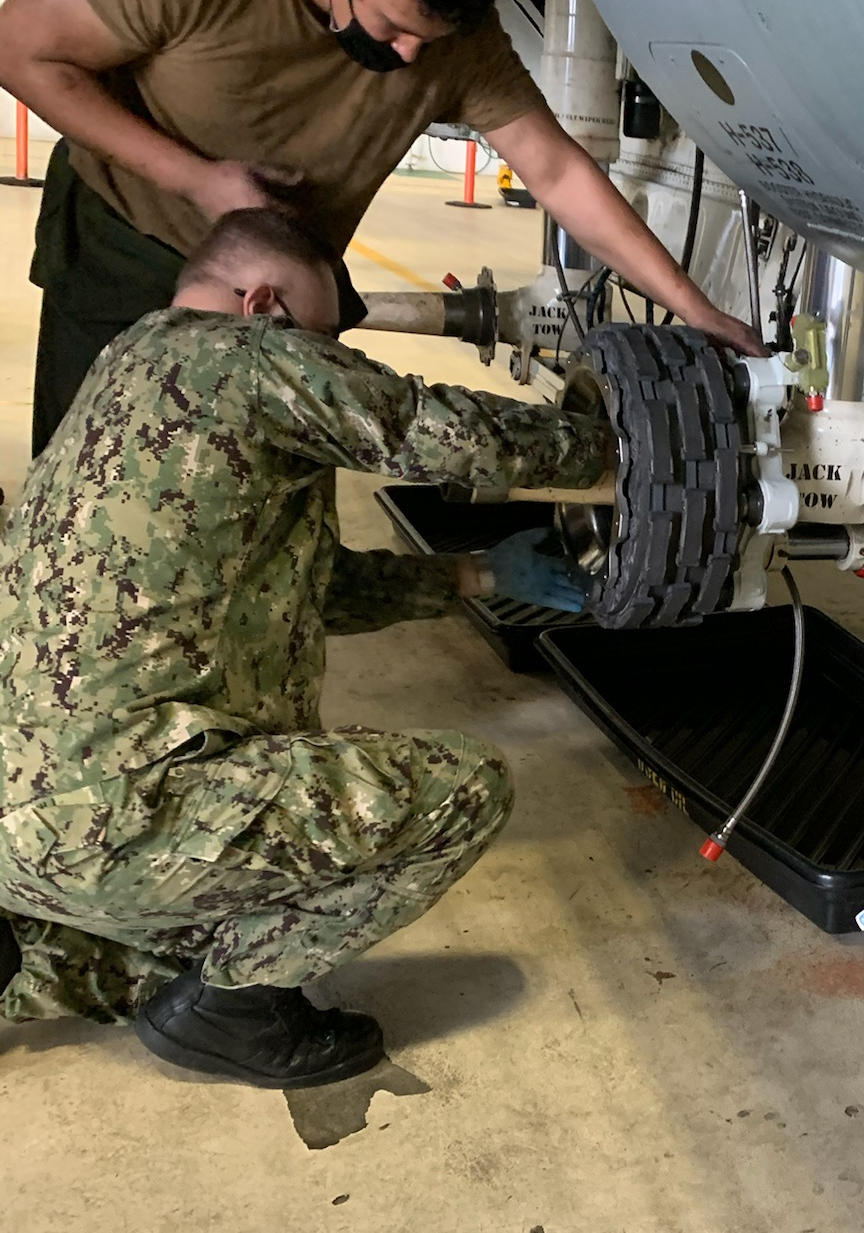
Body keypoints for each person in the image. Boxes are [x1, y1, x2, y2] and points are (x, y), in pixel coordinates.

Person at [0, 207, 614, 1088]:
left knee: (195, 919)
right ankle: (236, 1014)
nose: (321, 362)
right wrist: (625, 448)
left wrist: (478, 574)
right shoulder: (241, 358)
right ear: (262, 305)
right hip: (121, 811)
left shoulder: (129, 365)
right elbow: (439, 433)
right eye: (319, 341)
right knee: (462, 792)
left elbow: (298, 594)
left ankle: (23, 956)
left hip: (26, 816)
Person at [0, 0, 761, 453]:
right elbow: (19, 49)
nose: (405, 57)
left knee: (278, 530)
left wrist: (692, 308)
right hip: (124, 253)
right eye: (392, 26)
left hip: (292, 301)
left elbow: (557, 171)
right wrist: (194, 178)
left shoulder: (453, 42)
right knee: (98, 487)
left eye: (424, 41)